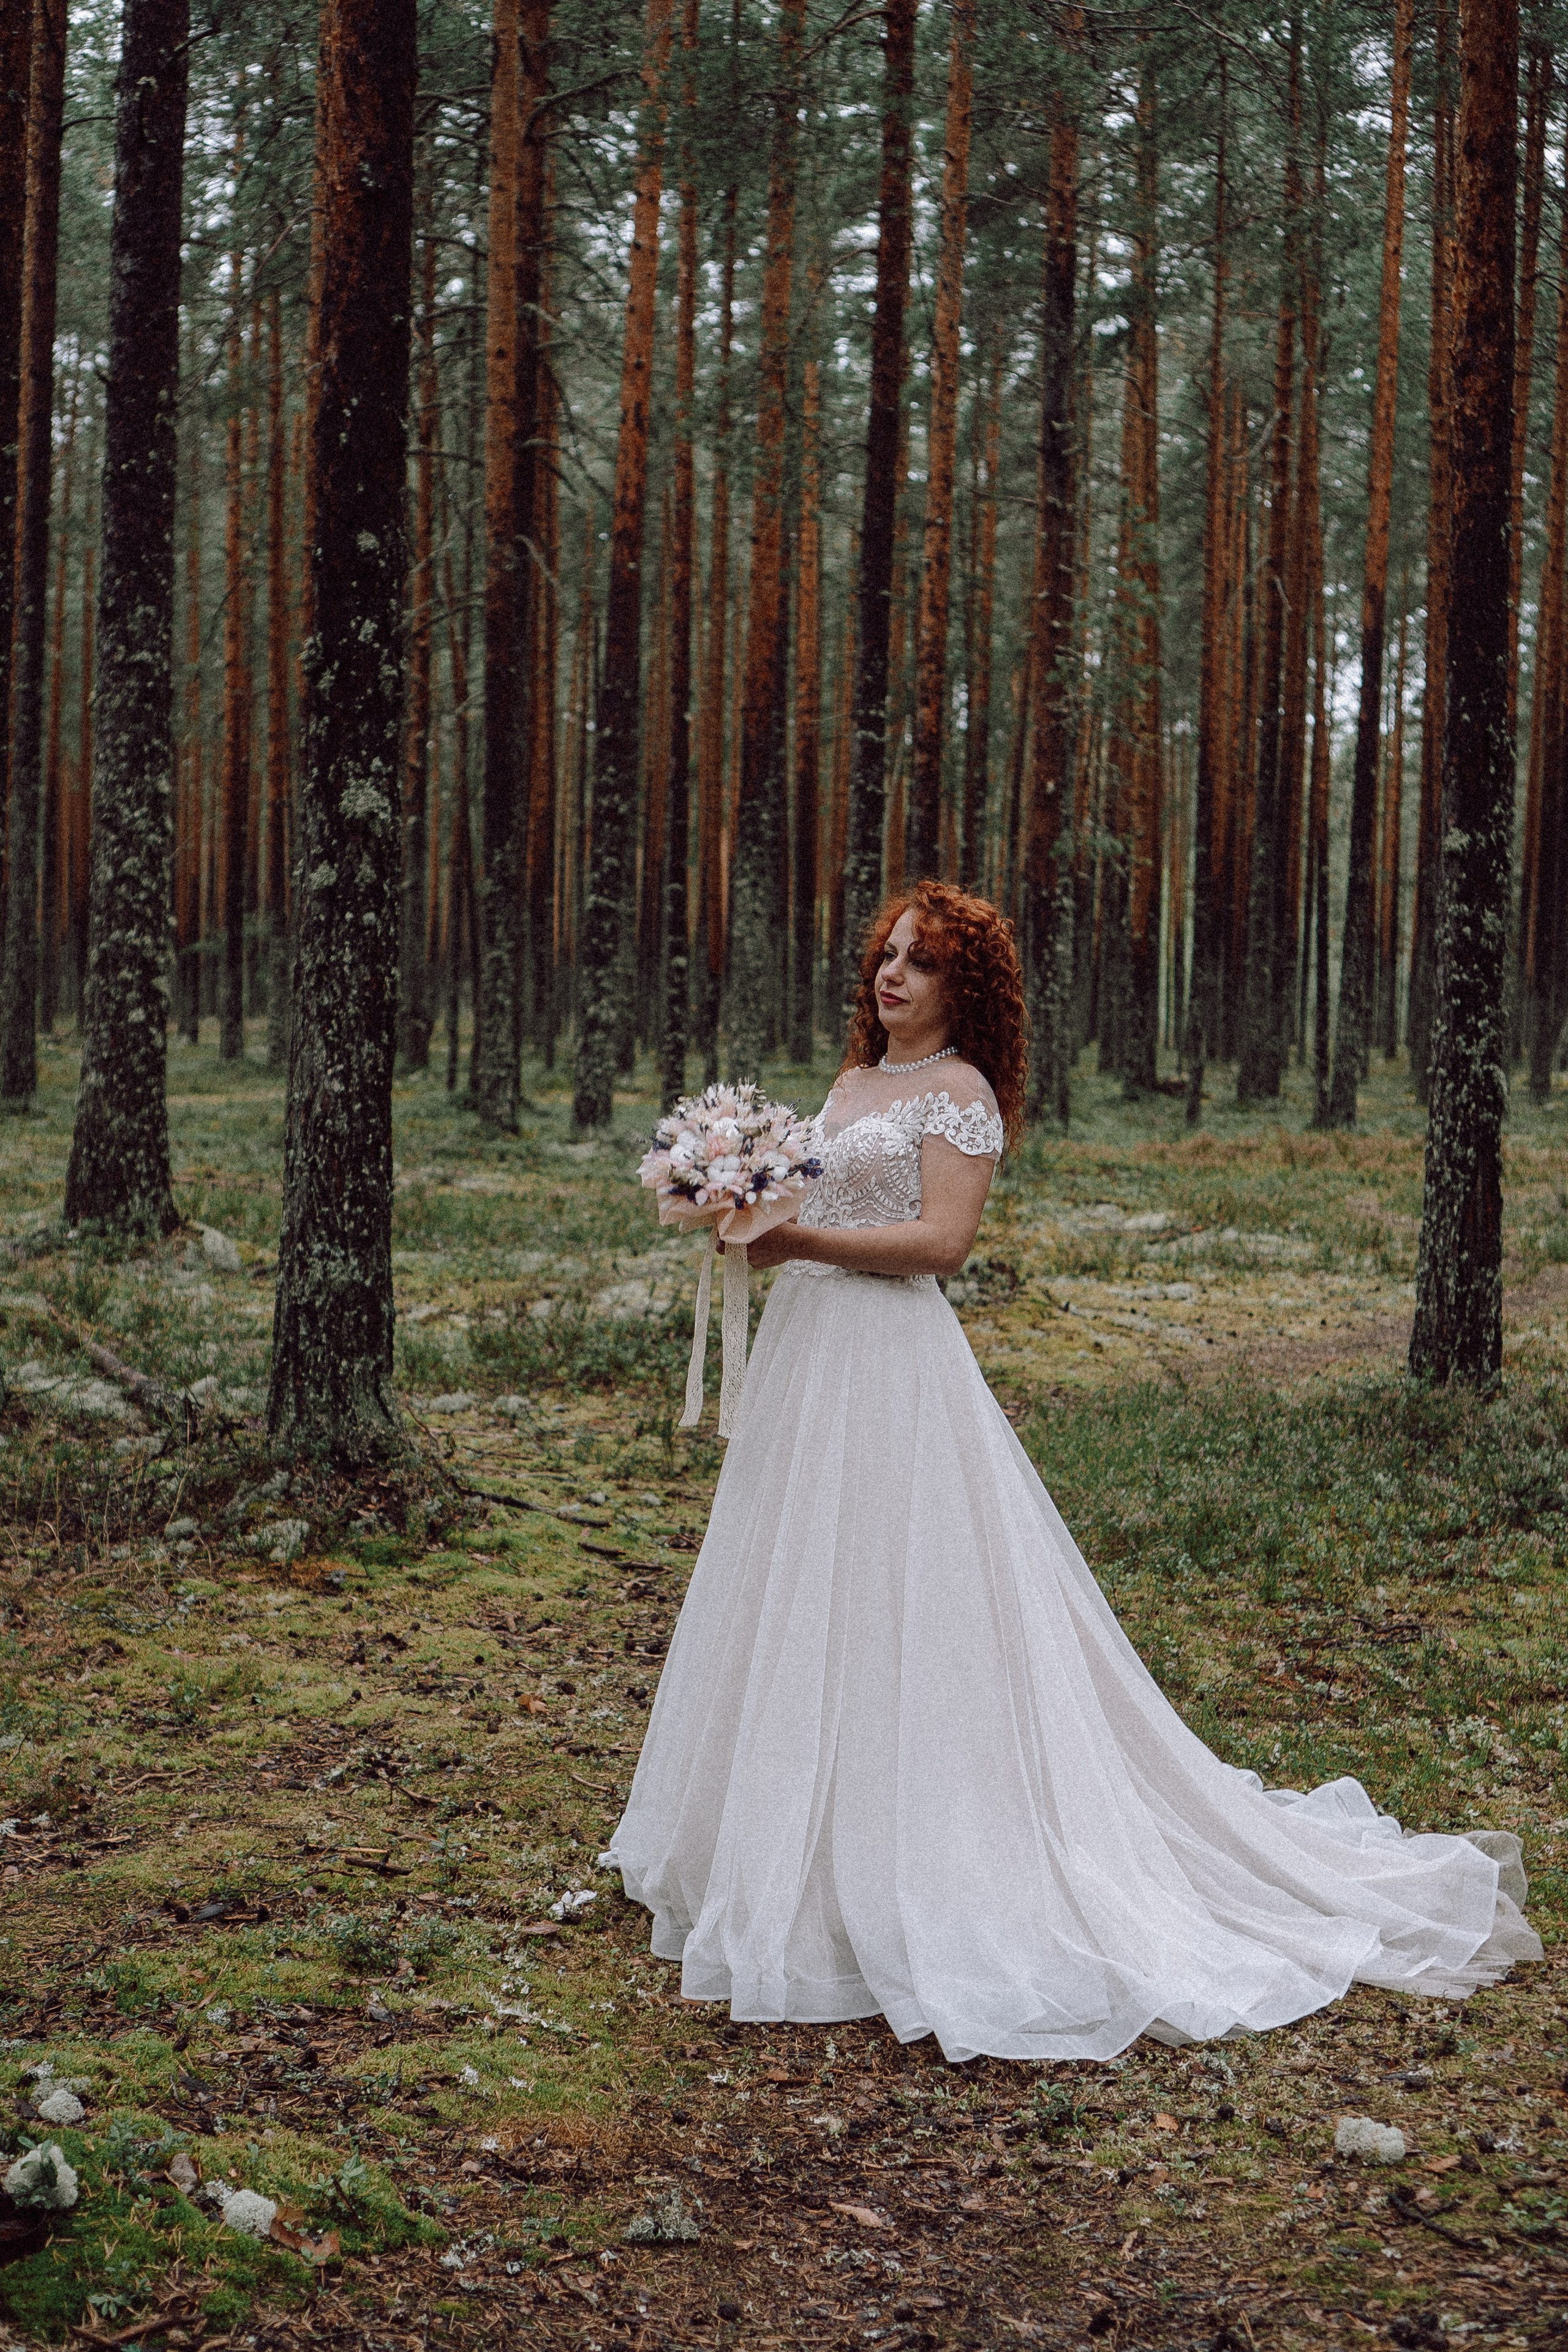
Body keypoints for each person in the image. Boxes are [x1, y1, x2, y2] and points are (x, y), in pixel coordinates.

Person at [605, 880, 1540, 2063]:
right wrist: (733, 1191)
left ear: (964, 988)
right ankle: (790, 1840)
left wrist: (793, 1239)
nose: (892, 976)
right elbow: (815, 1196)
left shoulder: (961, 1094)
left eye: (922, 963)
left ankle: (921, 1852)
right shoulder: (850, 1086)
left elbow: (943, 1243)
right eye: (888, 955)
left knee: (904, 1590)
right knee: (799, 1582)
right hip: (810, 1355)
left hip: (891, 1362)